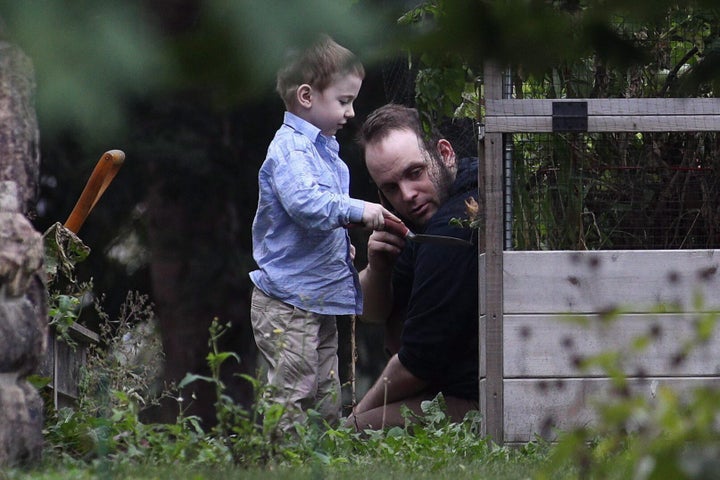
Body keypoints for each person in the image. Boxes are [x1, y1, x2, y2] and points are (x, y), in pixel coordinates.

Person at [249, 35, 396, 433]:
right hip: (288, 299)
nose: (352, 112)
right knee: (294, 388)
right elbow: (307, 205)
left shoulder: (325, 151)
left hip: (317, 296)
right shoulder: (291, 150)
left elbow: (316, 223)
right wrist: (358, 210)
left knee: (325, 388)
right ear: (307, 96)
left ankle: (322, 456)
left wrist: (341, 247)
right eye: (344, 101)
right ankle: (287, 460)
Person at [346, 104, 479, 430]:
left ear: (445, 153)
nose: (407, 195)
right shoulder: (428, 210)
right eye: (390, 188)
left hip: (482, 400)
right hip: (446, 384)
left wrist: (349, 423)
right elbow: (370, 312)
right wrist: (379, 268)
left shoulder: (454, 224)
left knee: (358, 432)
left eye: (414, 173)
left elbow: (418, 364)